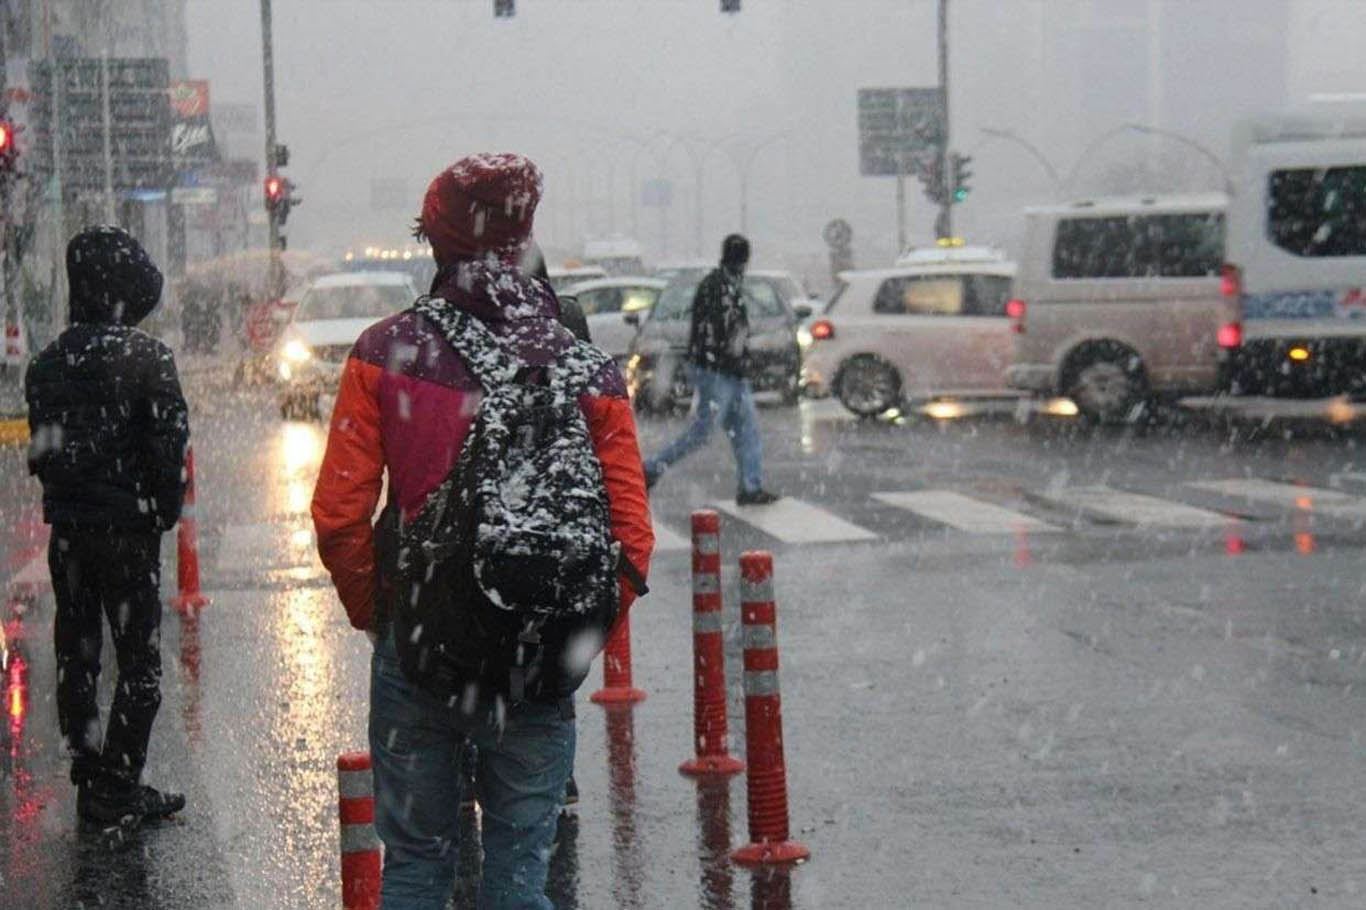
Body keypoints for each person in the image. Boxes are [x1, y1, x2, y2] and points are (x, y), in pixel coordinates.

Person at [312, 153, 653, 909]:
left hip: (422, 645)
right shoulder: (586, 368)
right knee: (520, 873)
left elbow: (339, 518)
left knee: (416, 867)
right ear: (524, 235)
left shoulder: (383, 353)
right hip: (537, 658)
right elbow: (631, 540)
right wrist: (563, 627)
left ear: (437, 241)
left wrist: (387, 617)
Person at [25, 225, 190, 829]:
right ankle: (119, 781)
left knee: (77, 649)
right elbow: (169, 455)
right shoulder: (148, 360)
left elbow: (40, 456)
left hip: (68, 531)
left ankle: (90, 770)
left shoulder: (46, 365)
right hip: (127, 532)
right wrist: (158, 511)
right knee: (140, 662)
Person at [642, 233, 780, 504]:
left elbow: (719, 332)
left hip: (724, 371)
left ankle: (751, 486)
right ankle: (651, 468)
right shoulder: (720, 288)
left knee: (745, 430)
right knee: (706, 432)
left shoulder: (721, 284)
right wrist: (731, 359)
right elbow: (722, 333)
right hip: (719, 372)